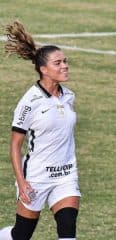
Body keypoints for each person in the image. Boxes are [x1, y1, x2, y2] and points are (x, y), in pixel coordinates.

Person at [0, 21, 80, 240]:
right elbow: (15, 144)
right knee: (21, 235)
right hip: (36, 177)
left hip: (66, 174)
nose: (65, 66)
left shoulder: (69, 96)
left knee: (67, 231)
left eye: (65, 61)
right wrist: (22, 182)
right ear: (44, 69)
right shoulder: (29, 102)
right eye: (58, 63)